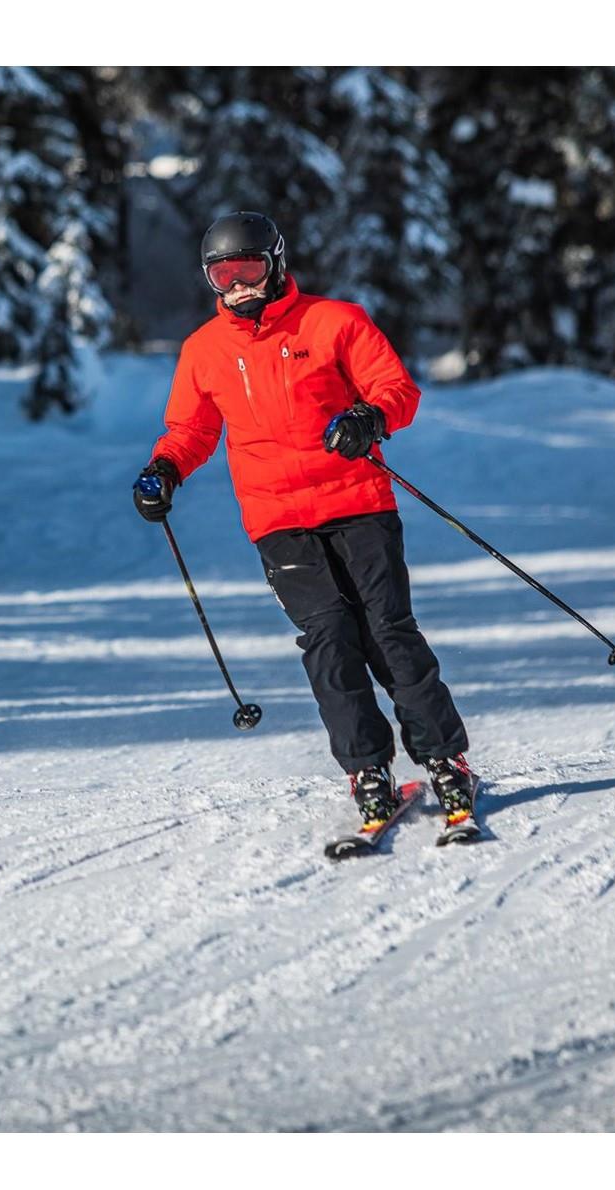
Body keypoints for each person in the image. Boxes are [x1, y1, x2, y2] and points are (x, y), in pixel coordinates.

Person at [133, 211, 476, 836]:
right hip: (278, 520)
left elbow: (396, 388)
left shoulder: (335, 321)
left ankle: (446, 761)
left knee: (388, 634)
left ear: (276, 263)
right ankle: (367, 771)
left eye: (248, 269)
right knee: (328, 643)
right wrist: (164, 470)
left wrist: (369, 419)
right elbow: (191, 429)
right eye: (222, 274)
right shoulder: (204, 351)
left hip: (359, 503)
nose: (237, 285)